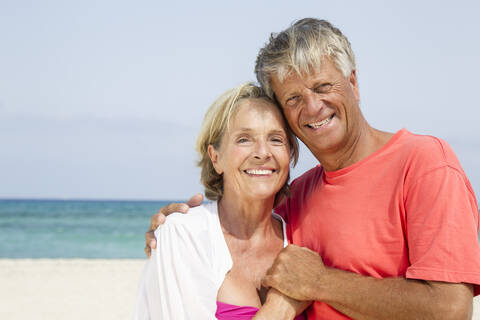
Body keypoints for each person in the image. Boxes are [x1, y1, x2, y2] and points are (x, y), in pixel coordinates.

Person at [145, 19, 480, 319]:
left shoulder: (424, 163)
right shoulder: (296, 197)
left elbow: (450, 309)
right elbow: (233, 230)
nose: (313, 107)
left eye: (323, 87)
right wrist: (177, 230)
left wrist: (321, 283)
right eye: (293, 98)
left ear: (353, 82)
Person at [134, 83, 306, 319]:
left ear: (290, 155)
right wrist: (280, 308)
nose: (263, 152)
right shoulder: (183, 235)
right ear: (216, 158)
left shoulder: (302, 239)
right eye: (244, 139)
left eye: (276, 139)